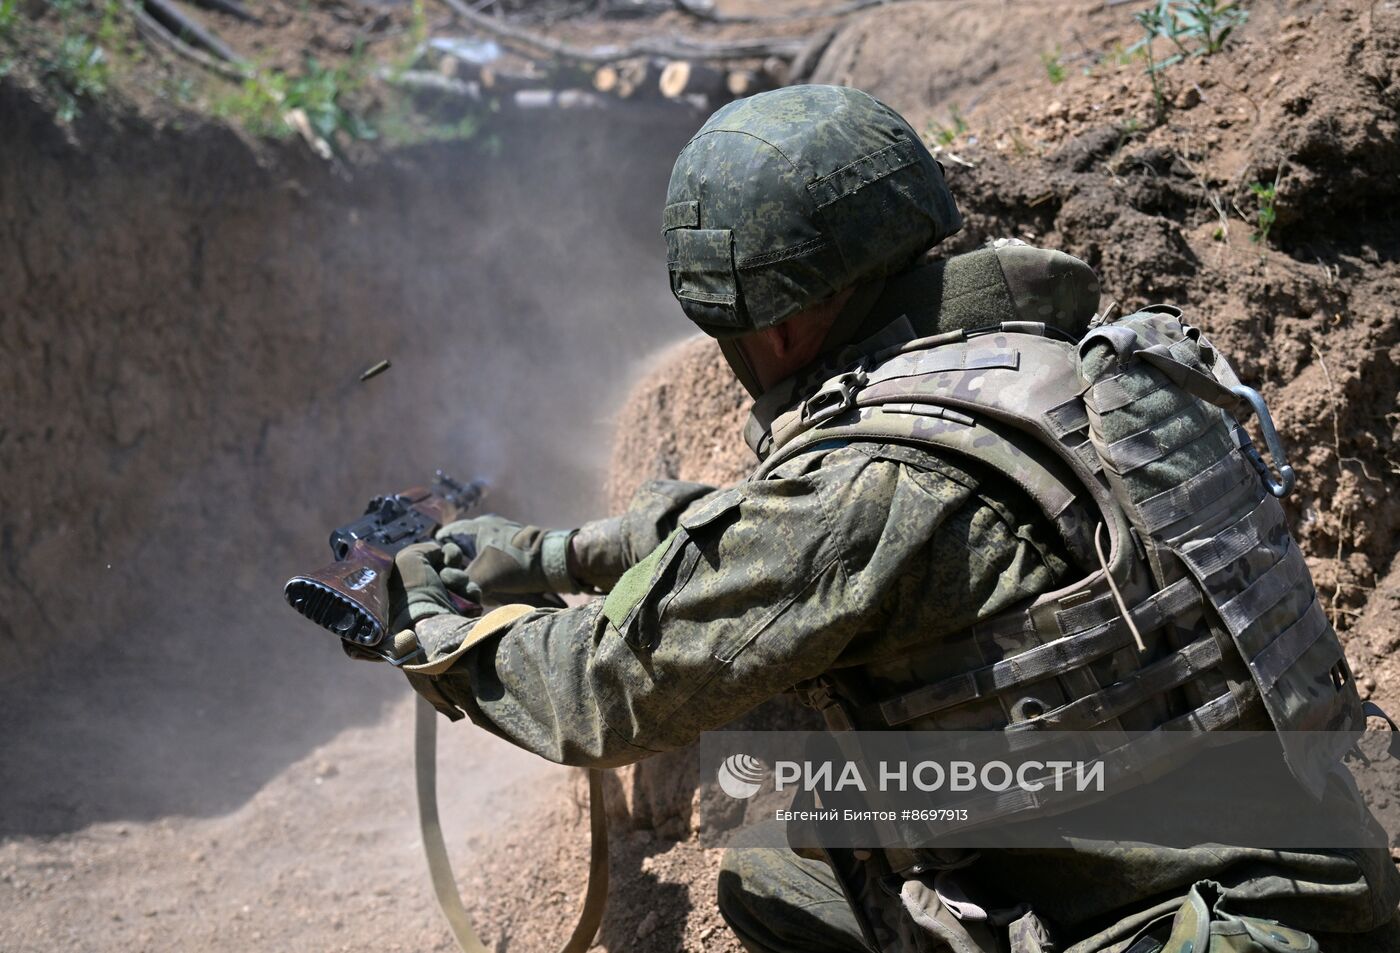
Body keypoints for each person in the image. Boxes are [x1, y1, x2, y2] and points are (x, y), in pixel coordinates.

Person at [382, 85, 1399, 952]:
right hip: (1338, 877)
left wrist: (439, 630)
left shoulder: (870, 481)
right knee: (796, 867)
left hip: (1187, 932)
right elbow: (789, 534)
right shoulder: (1090, 366)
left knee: (776, 870)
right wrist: (555, 552)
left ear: (776, 324)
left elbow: (597, 694)